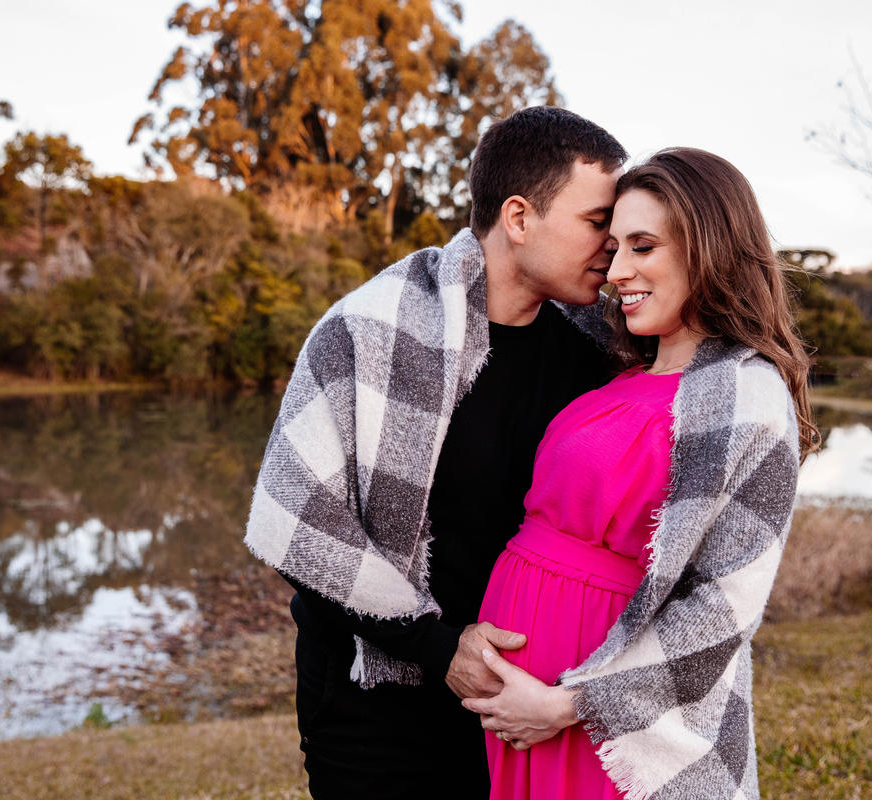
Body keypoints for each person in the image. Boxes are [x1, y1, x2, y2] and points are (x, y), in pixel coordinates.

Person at [243, 107, 628, 798]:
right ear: (518, 218)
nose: (614, 246)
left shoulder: (600, 352)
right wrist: (438, 646)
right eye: (598, 223)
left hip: (520, 699)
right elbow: (297, 515)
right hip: (375, 702)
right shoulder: (369, 329)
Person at [462, 148, 819, 800]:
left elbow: (723, 607)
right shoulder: (617, 370)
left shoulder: (747, 392)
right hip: (521, 703)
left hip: (597, 716)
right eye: (614, 246)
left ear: (707, 248)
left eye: (644, 247)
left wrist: (572, 703)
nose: (617, 270)